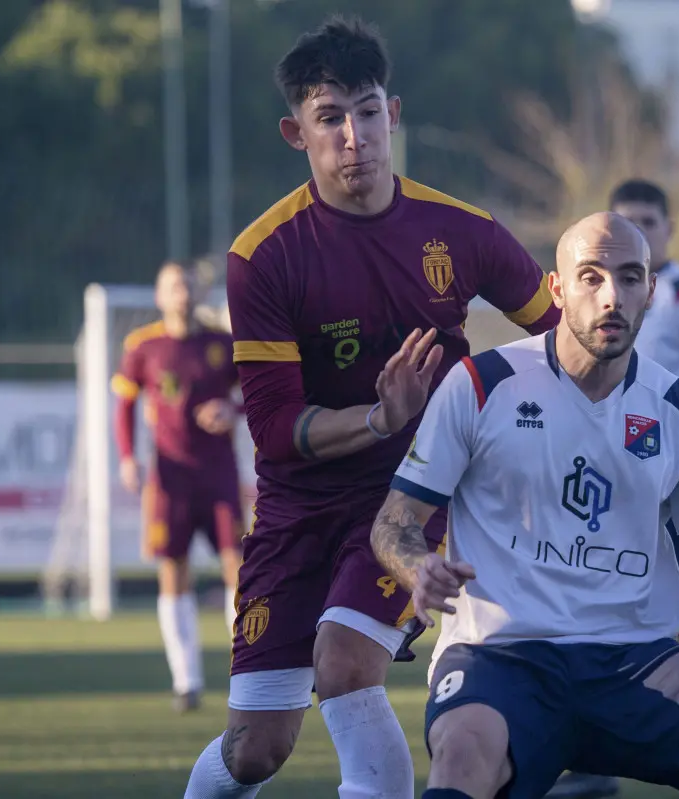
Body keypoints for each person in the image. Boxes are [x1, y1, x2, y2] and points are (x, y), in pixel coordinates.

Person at [182, 15, 559, 799]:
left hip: (408, 500)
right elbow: (279, 433)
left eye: (365, 111)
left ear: (392, 113)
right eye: (330, 118)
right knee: (256, 749)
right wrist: (378, 418)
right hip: (295, 512)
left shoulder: (464, 232)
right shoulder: (263, 257)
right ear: (297, 132)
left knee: (347, 662)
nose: (353, 135)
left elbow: (564, 338)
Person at [371, 212, 679, 799]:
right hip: (501, 656)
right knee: (463, 753)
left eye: (631, 278)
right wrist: (416, 568)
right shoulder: (481, 384)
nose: (612, 297)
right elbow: (393, 523)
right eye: (591, 277)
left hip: (636, 660)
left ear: (650, 291)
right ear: (557, 290)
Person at [547, 178, 679, 799]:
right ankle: (600, 757)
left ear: (667, 229)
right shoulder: (599, 297)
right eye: (627, 217)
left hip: (673, 474)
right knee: (627, 608)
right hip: (615, 482)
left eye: (649, 219)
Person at [112, 261, 243, 713]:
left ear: (196, 294)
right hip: (171, 480)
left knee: (240, 568)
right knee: (174, 572)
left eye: (186, 285)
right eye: (172, 286)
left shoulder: (221, 345)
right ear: (159, 296)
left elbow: (256, 393)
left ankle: (244, 671)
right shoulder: (142, 347)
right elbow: (124, 407)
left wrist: (233, 412)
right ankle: (186, 682)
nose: (181, 293)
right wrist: (128, 458)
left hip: (220, 474)